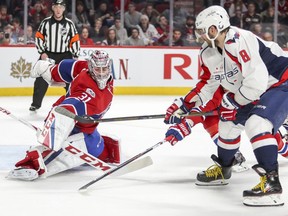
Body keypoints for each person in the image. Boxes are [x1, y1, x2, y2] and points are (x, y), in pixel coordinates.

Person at [164, 5, 288, 206]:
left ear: (214, 29)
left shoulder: (240, 41)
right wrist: (184, 106)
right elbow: (208, 83)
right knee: (227, 124)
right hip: (258, 89)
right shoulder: (208, 52)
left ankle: (271, 185)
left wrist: (233, 100)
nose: (200, 36)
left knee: (257, 124)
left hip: (281, 82)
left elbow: (256, 82)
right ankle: (224, 168)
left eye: (202, 31)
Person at [7, 50, 120, 180]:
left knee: (101, 151)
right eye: (97, 69)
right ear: (91, 67)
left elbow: (66, 67)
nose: (101, 73)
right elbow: (68, 107)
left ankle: (62, 143)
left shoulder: (83, 68)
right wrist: (52, 134)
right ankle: (31, 163)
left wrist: (46, 69)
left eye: (104, 69)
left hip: (87, 130)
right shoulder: (93, 96)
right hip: (69, 126)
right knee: (62, 160)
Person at [30, 0, 80, 112]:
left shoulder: (69, 24)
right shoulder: (45, 22)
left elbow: (75, 40)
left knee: (71, 80)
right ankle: (35, 104)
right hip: (48, 54)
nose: (58, 9)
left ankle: (72, 103)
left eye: (60, 7)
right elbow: (38, 37)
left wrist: (75, 55)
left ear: (64, 9)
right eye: (56, 7)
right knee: (41, 79)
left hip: (65, 55)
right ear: (53, 8)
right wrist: (42, 52)